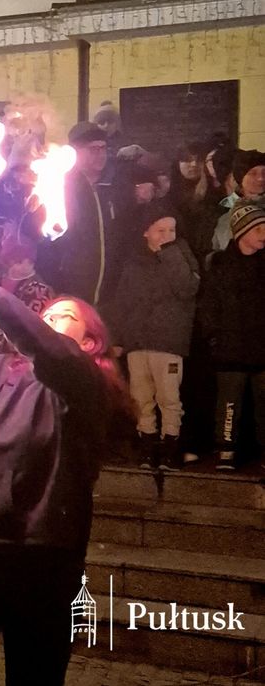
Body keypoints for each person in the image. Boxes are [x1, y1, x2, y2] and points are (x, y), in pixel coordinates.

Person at [0, 278, 134, 684]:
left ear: (89, 342)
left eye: (62, 317)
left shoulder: (85, 384)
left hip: (43, 564)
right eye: (44, 315)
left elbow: (48, 347)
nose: (47, 320)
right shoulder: (3, 372)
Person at [108, 204, 199, 470]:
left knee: (169, 397)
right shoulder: (133, 262)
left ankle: (171, 445)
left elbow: (187, 288)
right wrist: (118, 338)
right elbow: (123, 302)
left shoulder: (181, 255)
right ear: (146, 232)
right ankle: (147, 445)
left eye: (172, 230)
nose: (167, 235)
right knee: (141, 396)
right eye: (161, 230)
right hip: (138, 342)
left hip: (168, 341)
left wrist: (170, 254)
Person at [199, 202, 265, 470]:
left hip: (261, 346)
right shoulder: (220, 264)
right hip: (230, 347)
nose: (263, 234)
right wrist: (214, 337)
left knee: (264, 404)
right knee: (229, 403)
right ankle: (225, 449)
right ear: (241, 231)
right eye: (258, 228)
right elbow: (209, 305)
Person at [36, 122, 119, 305]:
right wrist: (55, 284)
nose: (100, 154)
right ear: (75, 152)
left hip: (109, 296)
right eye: (93, 149)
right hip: (69, 293)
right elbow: (45, 243)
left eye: (103, 148)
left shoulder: (114, 186)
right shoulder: (60, 188)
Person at [211, 150, 265, 254]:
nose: (261, 178)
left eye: (264, 173)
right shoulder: (227, 212)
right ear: (240, 178)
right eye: (253, 173)